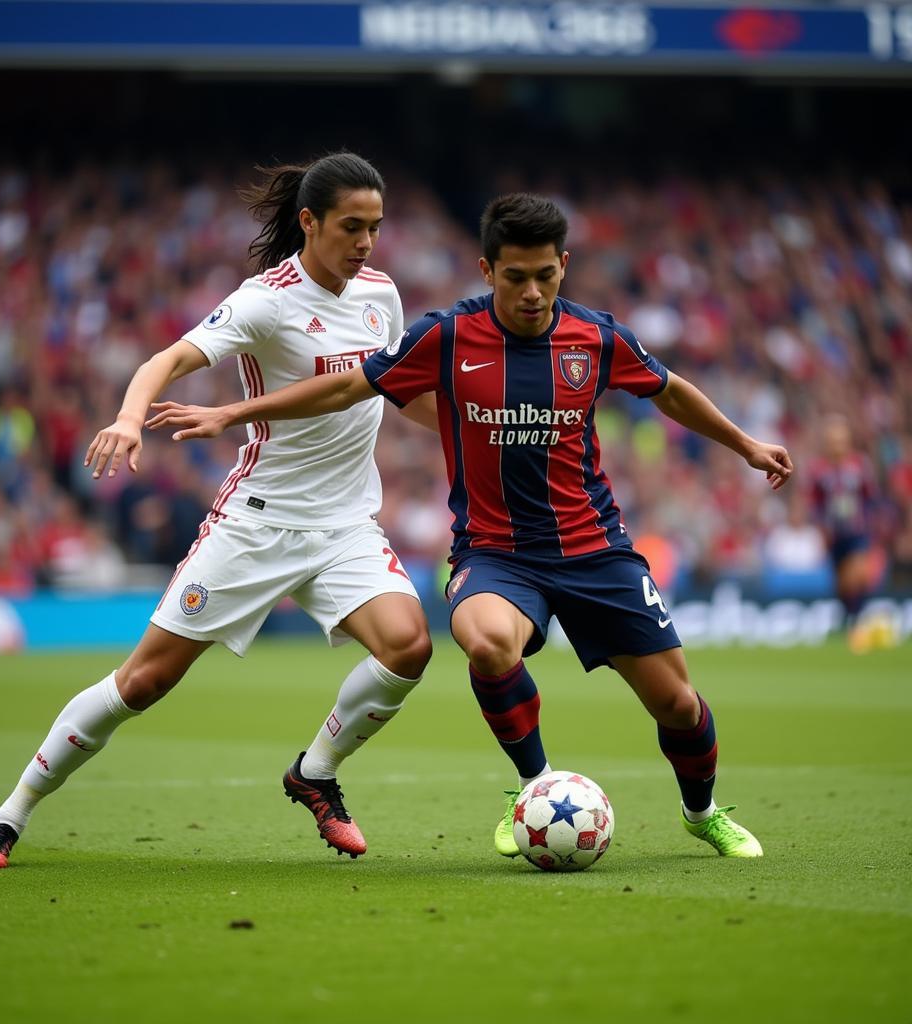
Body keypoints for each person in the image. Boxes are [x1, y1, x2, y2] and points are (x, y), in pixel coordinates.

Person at [147, 193, 795, 860]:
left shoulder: (595, 337)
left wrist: (745, 445)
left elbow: (671, 389)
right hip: (496, 556)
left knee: (679, 705)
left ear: (564, 266)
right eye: (516, 277)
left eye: (546, 275)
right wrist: (235, 411)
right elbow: (346, 386)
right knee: (486, 643)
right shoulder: (447, 337)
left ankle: (702, 811)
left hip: (596, 550)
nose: (533, 292)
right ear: (487, 272)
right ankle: (533, 786)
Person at [0, 152, 433, 869]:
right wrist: (127, 418)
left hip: (344, 528)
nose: (366, 242)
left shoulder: (381, 295)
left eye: (374, 226)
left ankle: (315, 772)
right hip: (257, 522)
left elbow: (392, 389)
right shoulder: (266, 299)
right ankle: (10, 812)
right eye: (351, 226)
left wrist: (477, 429)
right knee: (143, 682)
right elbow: (165, 361)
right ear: (309, 222)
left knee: (409, 647)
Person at [808, 415, 883, 651]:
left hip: (857, 531)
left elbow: (870, 498)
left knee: (856, 576)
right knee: (842, 584)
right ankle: (847, 621)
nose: (836, 445)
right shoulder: (818, 470)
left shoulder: (860, 465)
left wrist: (873, 524)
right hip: (834, 536)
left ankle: (856, 626)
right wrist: (821, 530)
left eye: (840, 441)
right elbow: (815, 503)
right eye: (832, 441)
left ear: (847, 441)